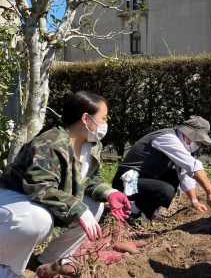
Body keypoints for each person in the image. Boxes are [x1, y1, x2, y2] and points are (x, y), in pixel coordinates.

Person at [0, 91, 131, 278]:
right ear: (86, 118)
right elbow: (40, 187)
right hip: (13, 199)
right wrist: (77, 209)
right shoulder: (49, 143)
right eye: (103, 118)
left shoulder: (91, 145)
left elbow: (90, 178)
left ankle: (49, 260)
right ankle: (6, 266)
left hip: (36, 200)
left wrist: (109, 193)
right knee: (38, 219)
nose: (105, 124)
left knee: (94, 206)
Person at [112, 115, 211, 221]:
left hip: (140, 180)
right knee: (165, 191)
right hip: (125, 182)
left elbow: (184, 174)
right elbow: (193, 166)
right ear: (190, 135)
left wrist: (194, 201)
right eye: (200, 142)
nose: (200, 146)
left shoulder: (178, 143)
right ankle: (134, 213)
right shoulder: (168, 138)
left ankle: (146, 211)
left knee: (173, 176)